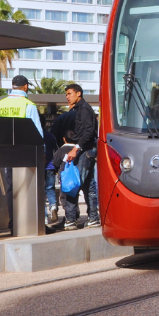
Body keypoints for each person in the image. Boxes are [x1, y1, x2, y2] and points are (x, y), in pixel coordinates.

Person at [0, 75, 43, 232]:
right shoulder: (28, 104)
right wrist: (43, 152)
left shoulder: (1, 104)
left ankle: (13, 222)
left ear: (13, 86)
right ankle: (28, 222)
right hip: (25, 153)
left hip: (6, 152)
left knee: (11, 187)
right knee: (28, 187)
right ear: (25, 87)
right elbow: (37, 132)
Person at [62, 84, 99, 229]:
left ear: (79, 94)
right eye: (66, 94)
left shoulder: (83, 109)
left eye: (70, 93)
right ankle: (93, 218)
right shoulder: (82, 108)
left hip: (84, 150)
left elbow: (88, 130)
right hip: (88, 150)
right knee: (89, 186)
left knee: (73, 185)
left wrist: (76, 148)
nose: (67, 97)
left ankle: (70, 220)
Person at [41, 114, 59, 225]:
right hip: (51, 166)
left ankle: (45, 216)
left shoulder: (35, 135)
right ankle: (53, 206)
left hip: (40, 166)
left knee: (40, 191)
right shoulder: (51, 136)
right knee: (50, 188)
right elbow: (55, 150)